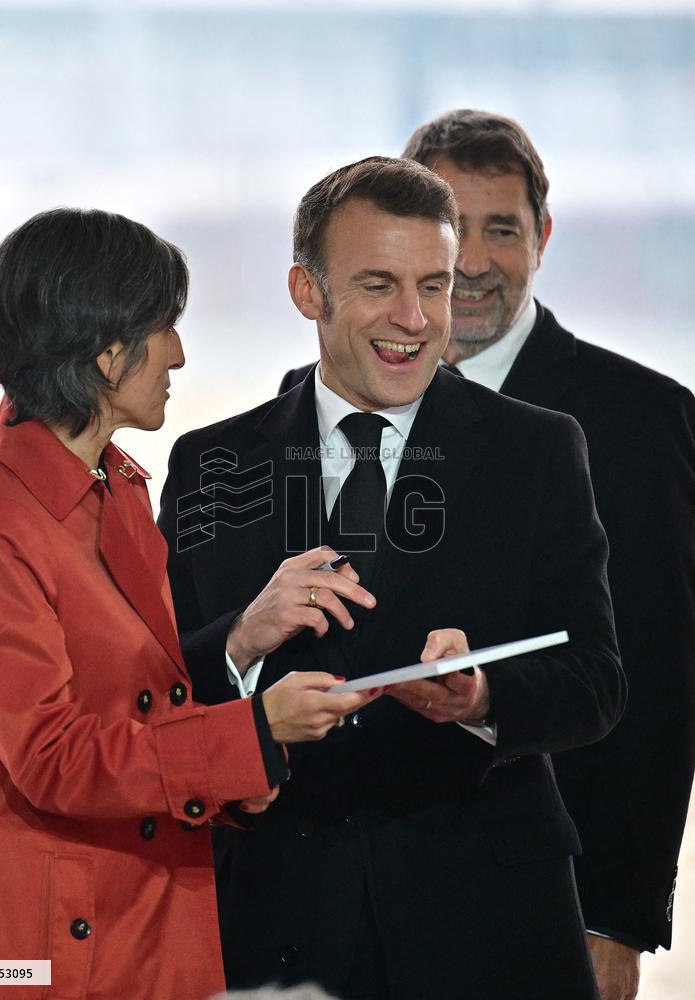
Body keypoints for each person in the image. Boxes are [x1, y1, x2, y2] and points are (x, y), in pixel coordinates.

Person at [160, 156, 626, 1000]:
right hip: (275, 916)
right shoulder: (211, 462)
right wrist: (237, 645)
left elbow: (598, 681)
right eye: (378, 284)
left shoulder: (539, 449)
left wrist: (482, 694)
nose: (414, 319)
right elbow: (153, 691)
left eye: (434, 286)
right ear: (308, 291)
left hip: (489, 922)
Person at [279, 111, 695, 1000]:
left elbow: (653, 683)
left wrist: (615, 917)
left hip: (537, 906)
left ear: (542, 238)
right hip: (334, 914)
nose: (467, 262)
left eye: (498, 229)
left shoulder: (638, 419)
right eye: (445, 230)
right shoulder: (303, 405)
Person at [0, 208, 375, 1000]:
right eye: (163, 327)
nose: (178, 354)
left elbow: (149, 703)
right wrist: (254, 732)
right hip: (19, 941)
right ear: (104, 351)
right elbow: (52, 758)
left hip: (144, 910)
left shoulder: (119, 487)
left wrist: (241, 647)